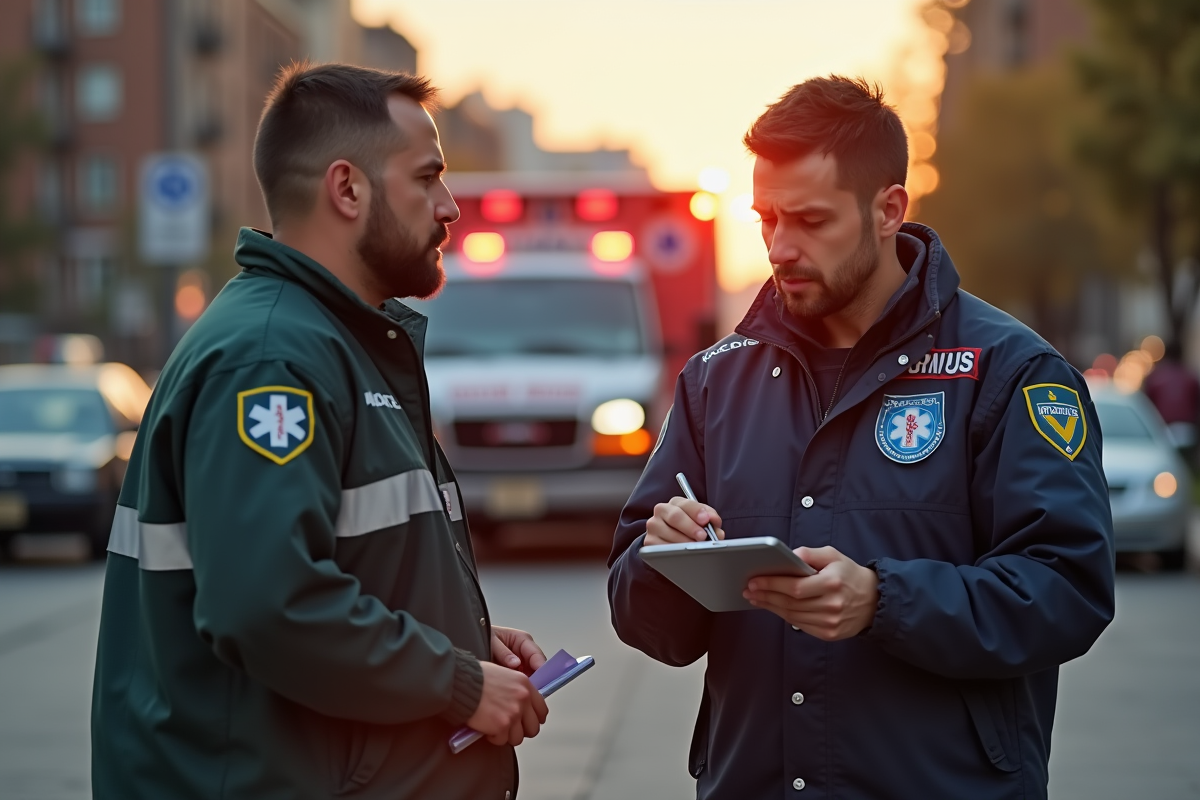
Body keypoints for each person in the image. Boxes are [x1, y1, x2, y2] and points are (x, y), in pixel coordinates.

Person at [608, 76, 1115, 800]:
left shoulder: (1011, 372)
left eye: (811, 221)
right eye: (766, 220)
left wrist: (886, 601)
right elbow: (646, 620)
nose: (780, 248)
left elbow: (1067, 589)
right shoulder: (715, 382)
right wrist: (663, 559)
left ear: (889, 210)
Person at [92, 63, 547, 800]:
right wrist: (457, 681)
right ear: (347, 189)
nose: (450, 206)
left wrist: (459, 637)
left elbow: (345, 564)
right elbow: (268, 604)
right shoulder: (272, 358)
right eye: (427, 177)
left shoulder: (336, 344)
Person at [1141, 341, 1200, 461]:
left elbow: (1146, 407)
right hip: (1187, 429)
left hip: (1161, 429)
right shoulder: (1190, 377)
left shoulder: (1154, 378)